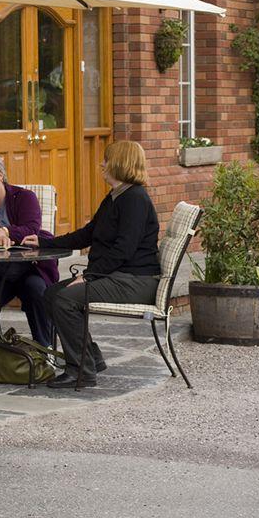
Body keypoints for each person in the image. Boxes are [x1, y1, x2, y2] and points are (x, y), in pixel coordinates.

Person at [22, 141, 160, 388]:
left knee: (65, 299)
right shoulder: (116, 196)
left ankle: (80, 371)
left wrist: (89, 276)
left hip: (135, 281)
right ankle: (92, 358)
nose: (102, 164)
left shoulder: (135, 199)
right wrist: (44, 242)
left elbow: (123, 250)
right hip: (118, 275)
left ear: (120, 163)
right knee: (52, 293)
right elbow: (88, 233)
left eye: (106, 160)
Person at [0, 151, 59, 376]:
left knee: (36, 289)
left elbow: (32, 228)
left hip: (30, 268)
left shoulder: (25, 197)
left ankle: (45, 349)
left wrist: (5, 231)